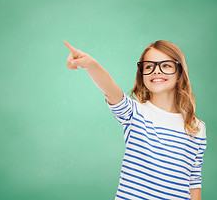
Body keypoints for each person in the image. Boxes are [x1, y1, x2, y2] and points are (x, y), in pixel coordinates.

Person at [64, 40, 207, 200]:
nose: (156, 71)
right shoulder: (134, 112)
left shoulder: (197, 128)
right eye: (149, 66)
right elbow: (109, 88)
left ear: (179, 72)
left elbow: (194, 181)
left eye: (166, 65)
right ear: (142, 75)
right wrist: (91, 65)